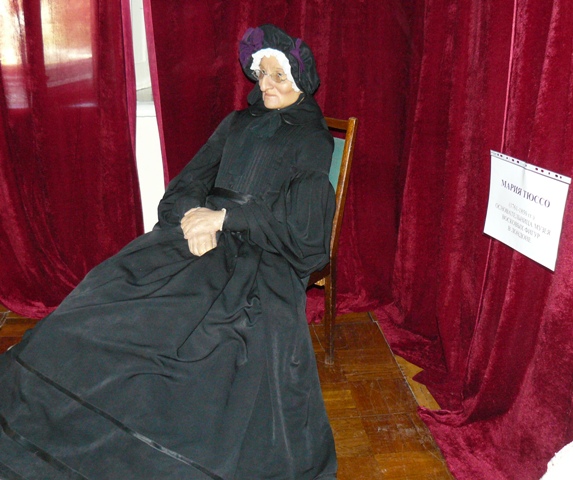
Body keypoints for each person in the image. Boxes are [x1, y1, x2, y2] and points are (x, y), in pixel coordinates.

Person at [0, 24, 337, 479]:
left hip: (263, 251)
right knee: (106, 296)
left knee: (207, 338)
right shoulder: (236, 123)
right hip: (197, 230)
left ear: (299, 79)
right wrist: (194, 216)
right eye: (262, 75)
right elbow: (187, 183)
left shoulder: (312, 138)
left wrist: (226, 220)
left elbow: (306, 232)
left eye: (279, 76)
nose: (267, 85)